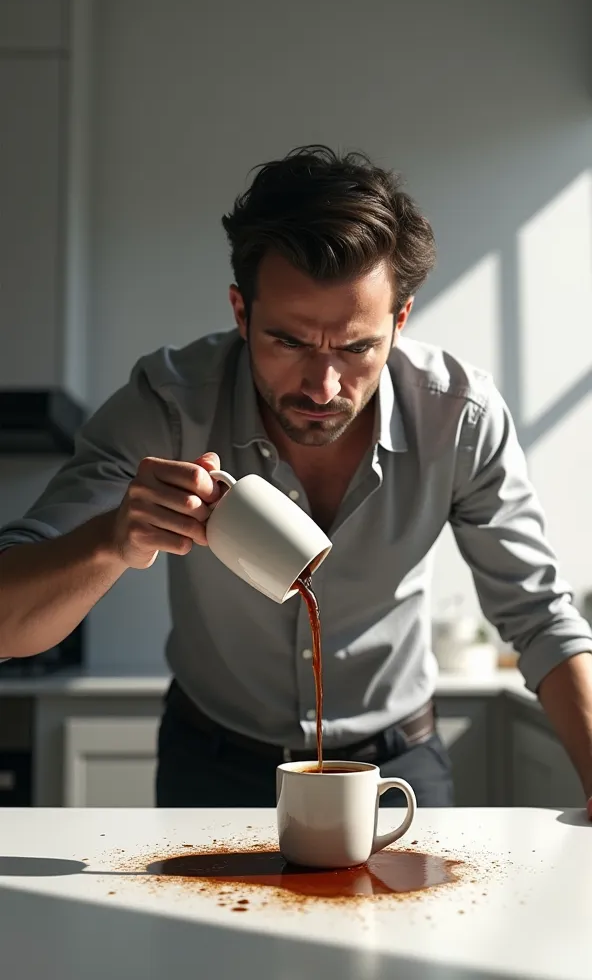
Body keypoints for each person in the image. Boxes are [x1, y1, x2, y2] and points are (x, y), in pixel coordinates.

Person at [1, 146, 591, 813]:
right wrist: (110, 540)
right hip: (211, 769)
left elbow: (539, 614)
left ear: (400, 322)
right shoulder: (165, 406)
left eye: (356, 347)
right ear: (240, 312)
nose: (323, 386)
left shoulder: (461, 417)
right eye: (288, 342)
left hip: (397, 765)